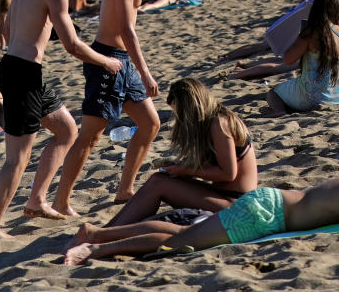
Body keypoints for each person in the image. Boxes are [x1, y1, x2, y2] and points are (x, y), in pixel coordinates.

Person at [0, 0, 121, 240]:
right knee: (16, 159)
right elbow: (72, 44)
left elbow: (5, 27)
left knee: (67, 129)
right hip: (22, 74)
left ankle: (37, 200)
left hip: (20, 69)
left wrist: (25, 40)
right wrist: (106, 61)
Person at [63, 173, 339, 265]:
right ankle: (94, 249)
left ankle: (98, 231)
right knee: (180, 243)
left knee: (185, 232)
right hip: (268, 216)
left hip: (270, 200)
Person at [53, 0, 168, 217]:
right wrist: (146, 72)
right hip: (108, 60)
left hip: (123, 60)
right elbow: (127, 29)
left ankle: (125, 189)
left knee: (151, 123)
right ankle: (61, 201)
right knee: (91, 135)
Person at [105, 78, 257, 228]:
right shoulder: (215, 120)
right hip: (224, 196)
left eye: (180, 113)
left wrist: (186, 170)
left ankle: (107, 232)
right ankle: (108, 230)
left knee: (158, 184)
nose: (181, 119)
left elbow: (228, 173)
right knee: (158, 180)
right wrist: (182, 169)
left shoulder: (220, 123)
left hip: (238, 205)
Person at [264, 0, 339, 114]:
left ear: (314, 11)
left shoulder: (309, 34)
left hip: (311, 98)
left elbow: (288, 60)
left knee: (273, 93)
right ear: (336, 10)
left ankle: (279, 112)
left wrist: (300, 37)